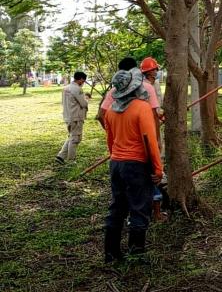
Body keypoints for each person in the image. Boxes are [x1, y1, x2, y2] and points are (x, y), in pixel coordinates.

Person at [104, 67, 163, 262]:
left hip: (116, 164)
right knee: (139, 207)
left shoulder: (111, 111)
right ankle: (136, 253)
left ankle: (111, 253)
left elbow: (110, 142)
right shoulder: (141, 107)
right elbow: (150, 142)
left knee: (117, 207)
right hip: (136, 165)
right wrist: (157, 169)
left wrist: (117, 159)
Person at [99, 57, 161, 146]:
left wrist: (114, 135)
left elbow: (101, 115)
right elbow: (154, 116)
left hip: (119, 145)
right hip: (142, 144)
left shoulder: (113, 91)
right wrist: (156, 140)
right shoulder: (147, 87)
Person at [55, 71, 90, 165]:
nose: (83, 83)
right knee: (75, 138)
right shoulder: (77, 89)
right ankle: (71, 161)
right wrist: (87, 99)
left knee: (72, 136)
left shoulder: (66, 88)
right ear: (81, 79)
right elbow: (83, 104)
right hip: (76, 117)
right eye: (83, 81)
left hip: (68, 116)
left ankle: (61, 156)